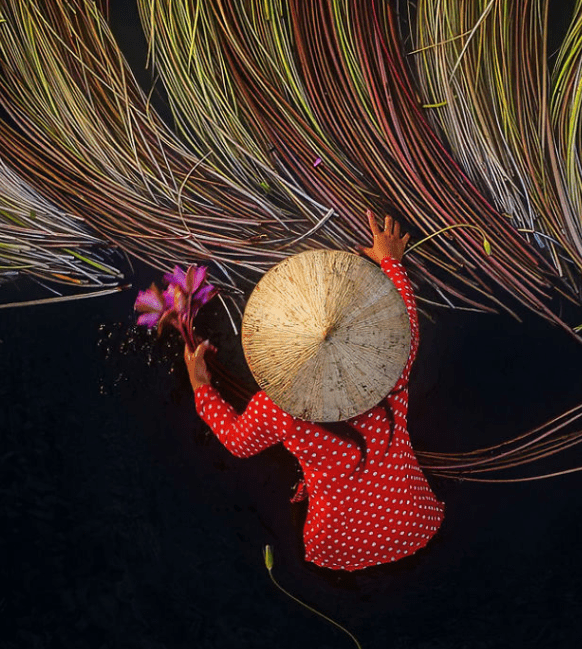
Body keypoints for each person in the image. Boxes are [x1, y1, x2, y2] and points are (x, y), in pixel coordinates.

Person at [184, 210, 444, 575]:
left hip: (337, 544)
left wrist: (202, 389)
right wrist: (390, 260)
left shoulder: (275, 409)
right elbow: (404, 313)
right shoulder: (396, 364)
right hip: (415, 522)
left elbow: (237, 444)